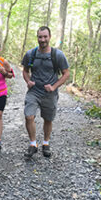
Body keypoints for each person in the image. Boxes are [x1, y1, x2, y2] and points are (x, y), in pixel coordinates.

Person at [21, 26, 70, 158]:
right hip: (34, 91)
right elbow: (25, 70)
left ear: (49, 37)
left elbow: (66, 74)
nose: (42, 40)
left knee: (48, 119)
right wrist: (28, 81)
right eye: (40, 37)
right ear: (37, 37)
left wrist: (54, 87)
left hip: (50, 93)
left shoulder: (57, 55)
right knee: (28, 115)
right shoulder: (31, 54)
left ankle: (46, 143)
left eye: (45, 37)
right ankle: (33, 144)